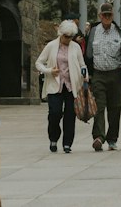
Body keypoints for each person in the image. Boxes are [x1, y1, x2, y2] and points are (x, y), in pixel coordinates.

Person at [84, 2, 121, 150]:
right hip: (98, 74)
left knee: (115, 107)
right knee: (99, 106)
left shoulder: (119, 32)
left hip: (115, 74)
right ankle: (99, 137)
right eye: (104, 15)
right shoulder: (93, 32)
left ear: (113, 15)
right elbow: (87, 55)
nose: (107, 17)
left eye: (109, 15)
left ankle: (112, 138)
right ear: (100, 16)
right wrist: (88, 75)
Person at [36, 20, 88, 154]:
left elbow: (82, 64)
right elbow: (39, 63)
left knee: (70, 114)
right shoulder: (51, 46)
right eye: (66, 36)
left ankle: (67, 143)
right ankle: (53, 138)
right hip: (55, 84)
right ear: (61, 34)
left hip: (71, 85)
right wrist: (49, 71)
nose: (68, 39)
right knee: (55, 112)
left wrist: (84, 73)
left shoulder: (75, 47)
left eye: (71, 37)